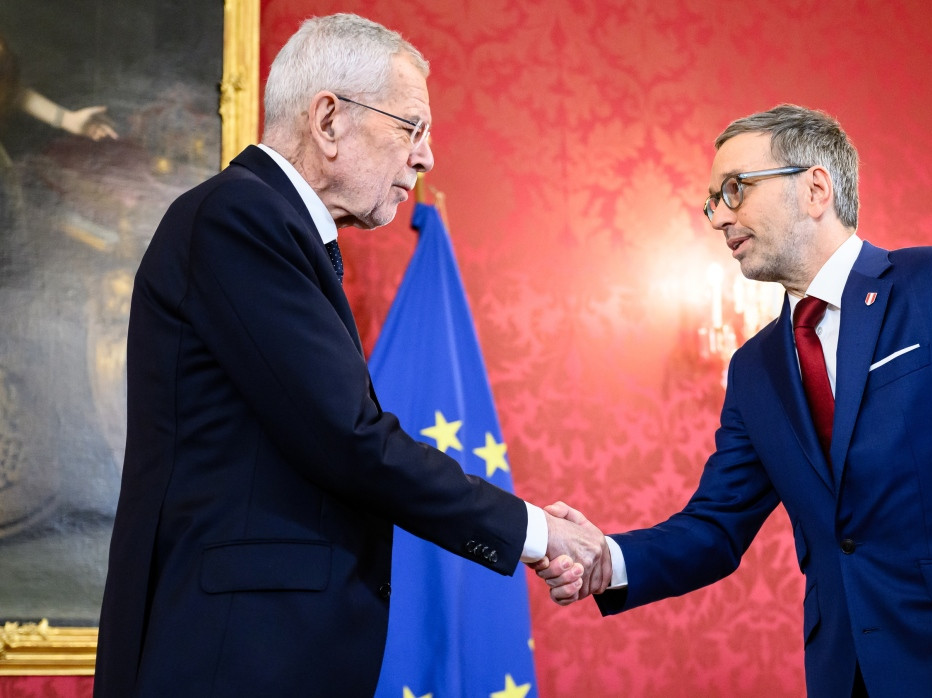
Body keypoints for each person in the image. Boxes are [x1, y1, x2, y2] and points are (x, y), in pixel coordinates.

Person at [535, 104, 932, 698]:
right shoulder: (753, 370)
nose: (719, 217)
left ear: (816, 187)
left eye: (735, 189)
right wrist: (606, 558)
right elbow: (715, 527)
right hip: (844, 676)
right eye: (713, 201)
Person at [94, 14, 602, 697]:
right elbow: (347, 437)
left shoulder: (266, 226)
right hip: (233, 658)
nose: (425, 159)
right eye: (411, 128)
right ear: (329, 120)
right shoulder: (238, 218)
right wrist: (536, 532)